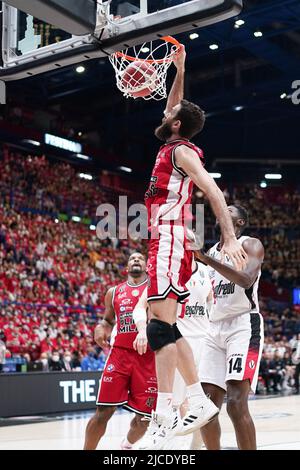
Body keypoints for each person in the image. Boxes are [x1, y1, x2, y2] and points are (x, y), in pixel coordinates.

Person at [144, 45, 248, 448]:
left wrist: (228, 235)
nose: (165, 112)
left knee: (158, 328)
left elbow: (214, 192)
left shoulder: (183, 152)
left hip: (169, 238)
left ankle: (170, 408)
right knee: (164, 326)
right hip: (162, 239)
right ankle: (193, 401)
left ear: (175, 125)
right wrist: (180, 69)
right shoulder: (172, 142)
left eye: (169, 114)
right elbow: (176, 106)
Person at [196, 204, 265, 450]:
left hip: (244, 325)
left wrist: (207, 260)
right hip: (214, 328)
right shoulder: (212, 251)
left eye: (230, 210)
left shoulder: (250, 244)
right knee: (205, 406)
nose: (222, 210)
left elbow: (246, 280)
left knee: (236, 403)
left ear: (240, 222)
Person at [83, 253, 157, 450]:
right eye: (132, 258)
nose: (136, 260)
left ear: (147, 266)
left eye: (140, 258)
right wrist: (101, 327)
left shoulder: (156, 287)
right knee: (103, 412)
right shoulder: (114, 292)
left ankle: (127, 445)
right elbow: (107, 319)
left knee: (144, 419)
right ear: (126, 268)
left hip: (148, 357)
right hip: (120, 355)